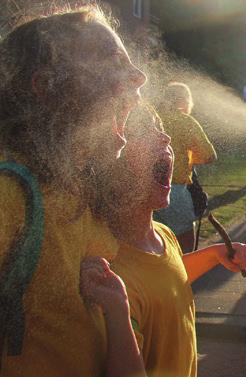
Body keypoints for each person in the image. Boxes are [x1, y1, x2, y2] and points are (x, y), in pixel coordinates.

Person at [0, 6, 147, 376]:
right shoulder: (9, 197)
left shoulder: (81, 192)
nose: (139, 76)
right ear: (45, 87)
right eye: (110, 60)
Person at [83, 104, 246, 377]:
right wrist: (118, 310)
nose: (166, 138)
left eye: (160, 129)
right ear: (108, 165)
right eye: (144, 132)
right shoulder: (112, 274)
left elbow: (168, 282)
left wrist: (212, 255)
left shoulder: (162, 233)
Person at [154, 82, 217, 252]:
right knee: (185, 246)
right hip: (174, 190)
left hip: (145, 191)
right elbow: (209, 156)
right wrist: (189, 158)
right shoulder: (185, 121)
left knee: (155, 246)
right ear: (185, 100)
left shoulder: (153, 118)